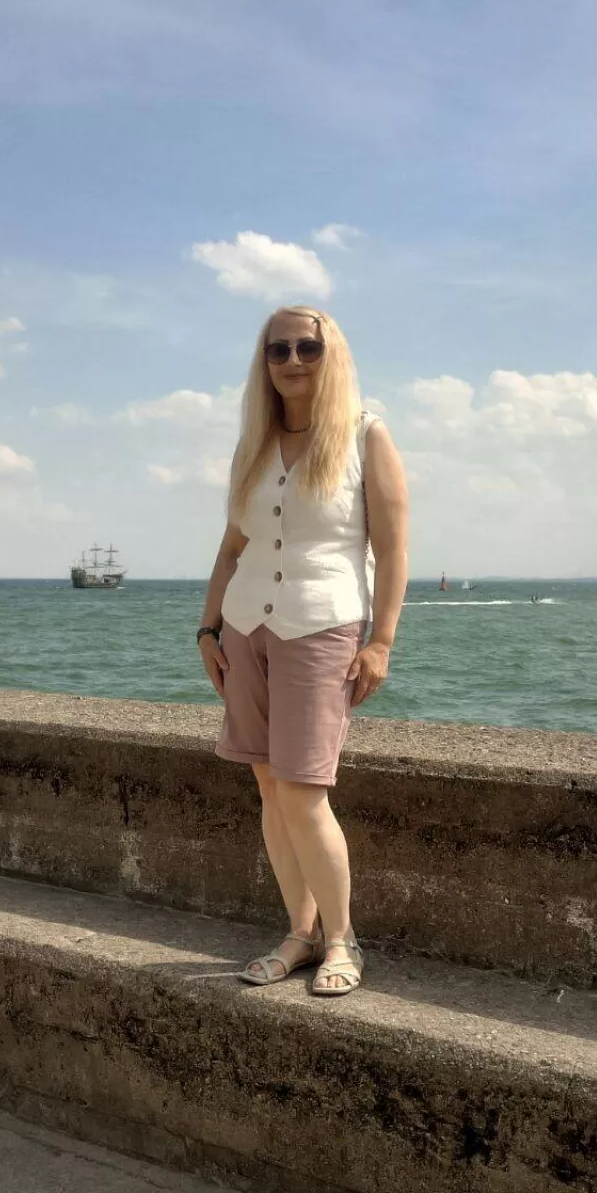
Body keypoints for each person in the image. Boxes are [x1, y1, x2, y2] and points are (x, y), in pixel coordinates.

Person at [196, 306, 409, 995]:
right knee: (267, 785)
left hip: (322, 627)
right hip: (244, 628)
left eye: (308, 347)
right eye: (278, 349)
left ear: (330, 354)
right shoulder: (253, 445)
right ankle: (300, 932)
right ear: (264, 361)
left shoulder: (365, 435)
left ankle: (342, 939)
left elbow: (392, 549)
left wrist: (381, 641)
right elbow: (232, 547)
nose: (292, 360)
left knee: (304, 789)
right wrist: (207, 630)